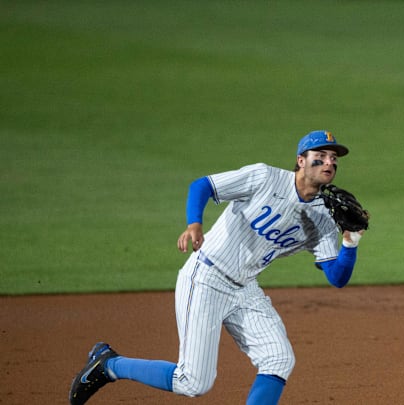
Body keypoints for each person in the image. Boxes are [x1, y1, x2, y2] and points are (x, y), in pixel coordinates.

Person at [69, 130, 366, 404]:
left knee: (278, 358)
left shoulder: (326, 218)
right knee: (193, 382)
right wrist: (194, 225)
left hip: (245, 288)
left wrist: (350, 243)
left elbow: (336, 277)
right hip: (206, 277)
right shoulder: (264, 178)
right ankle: (108, 365)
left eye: (334, 158)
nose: (329, 162)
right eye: (321, 155)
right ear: (301, 161)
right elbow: (203, 186)